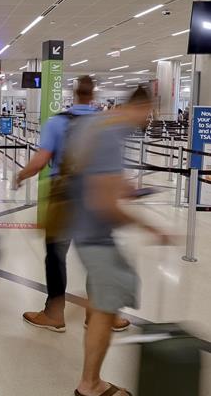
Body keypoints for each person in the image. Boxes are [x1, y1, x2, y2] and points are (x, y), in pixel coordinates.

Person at [68, 88, 173, 396]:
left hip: (80, 224)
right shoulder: (111, 136)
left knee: (105, 298)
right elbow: (104, 204)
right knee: (107, 307)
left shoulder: (95, 123)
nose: (148, 120)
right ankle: (90, 385)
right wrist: (152, 228)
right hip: (94, 235)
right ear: (141, 106)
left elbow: (90, 172)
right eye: (149, 113)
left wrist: (123, 186)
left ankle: (83, 308)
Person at [14, 76, 131, 333]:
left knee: (56, 257)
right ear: (94, 96)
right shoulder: (104, 123)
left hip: (64, 198)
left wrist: (20, 175)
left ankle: (54, 314)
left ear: (74, 94)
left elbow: (40, 161)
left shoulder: (56, 122)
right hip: (95, 198)